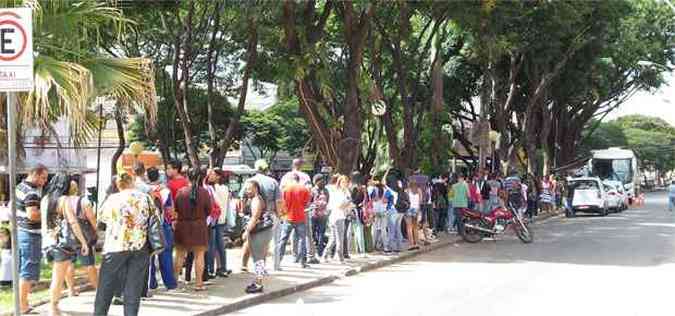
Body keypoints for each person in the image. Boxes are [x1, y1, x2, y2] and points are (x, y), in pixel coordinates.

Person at [94, 173, 157, 316]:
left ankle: (99, 313)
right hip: (139, 245)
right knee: (133, 287)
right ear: (132, 182)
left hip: (115, 245)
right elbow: (154, 218)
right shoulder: (145, 198)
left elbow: (102, 220)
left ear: (118, 185)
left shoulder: (112, 199)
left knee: (106, 284)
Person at [47, 175, 91, 316]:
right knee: (58, 279)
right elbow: (72, 222)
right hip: (61, 244)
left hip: (48, 242)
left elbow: (43, 223)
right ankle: (53, 308)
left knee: (57, 276)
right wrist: (83, 242)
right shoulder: (64, 200)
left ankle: (54, 306)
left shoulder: (44, 200)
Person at [239, 160, 283, 271]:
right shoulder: (273, 182)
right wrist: (279, 215)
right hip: (268, 217)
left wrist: (242, 212)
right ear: (266, 169)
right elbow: (278, 201)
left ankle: (244, 265)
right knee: (265, 244)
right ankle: (264, 269)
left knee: (249, 241)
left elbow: (241, 199)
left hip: (250, 217)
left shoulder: (249, 181)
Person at [17, 164, 49, 314]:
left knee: (24, 269)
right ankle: (23, 305)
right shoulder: (31, 193)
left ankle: (23, 303)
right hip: (30, 234)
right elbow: (33, 215)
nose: (44, 182)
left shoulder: (20, 186)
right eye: (43, 178)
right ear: (35, 174)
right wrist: (48, 213)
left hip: (21, 232)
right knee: (27, 271)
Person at [173, 168, 211, 292]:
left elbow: (176, 209)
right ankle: (199, 283)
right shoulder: (204, 193)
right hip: (199, 226)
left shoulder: (181, 192)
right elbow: (208, 210)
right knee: (199, 256)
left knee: (179, 255)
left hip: (182, 226)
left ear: (187, 177)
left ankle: (175, 282)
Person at [64, 175, 98, 297]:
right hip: (82, 237)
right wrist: (97, 231)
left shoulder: (62, 201)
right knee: (89, 263)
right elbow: (92, 219)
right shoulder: (83, 201)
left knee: (69, 263)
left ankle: (71, 289)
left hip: (67, 237)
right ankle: (98, 288)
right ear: (76, 189)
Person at [146, 167, 178, 291]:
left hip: (148, 226)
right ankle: (170, 283)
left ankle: (152, 283)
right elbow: (170, 210)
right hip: (163, 225)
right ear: (158, 177)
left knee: (150, 256)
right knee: (166, 254)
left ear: (147, 177)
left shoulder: (144, 190)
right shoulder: (165, 191)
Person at [241, 180, 274, 294]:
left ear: (256, 188)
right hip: (262, 231)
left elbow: (254, 217)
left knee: (258, 259)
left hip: (259, 231)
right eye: (246, 188)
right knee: (258, 258)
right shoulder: (257, 199)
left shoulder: (256, 200)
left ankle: (258, 283)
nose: (247, 191)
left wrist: (247, 231)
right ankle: (258, 281)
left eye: (249, 188)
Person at [277, 174, 312, 269]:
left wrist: (283, 213)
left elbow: (282, 203)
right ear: (298, 179)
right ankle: (303, 262)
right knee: (302, 240)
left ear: (291, 179)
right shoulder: (304, 189)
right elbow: (306, 204)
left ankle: (278, 261)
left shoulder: (285, 189)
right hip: (300, 217)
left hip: (288, 217)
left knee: (283, 239)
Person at [207, 169, 232, 278]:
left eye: (212, 174)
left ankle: (212, 268)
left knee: (213, 245)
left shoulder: (213, 188)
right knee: (220, 244)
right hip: (221, 219)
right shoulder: (225, 188)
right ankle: (222, 267)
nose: (209, 175)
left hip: (214, 219)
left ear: (217, 176)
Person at [322, 175, 352, 263]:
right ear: (340, 182)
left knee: (333, 238)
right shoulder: (337, 192)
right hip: (337, 217)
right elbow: (339, 205)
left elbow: (348, 201)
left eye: (346, 182)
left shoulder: (345, 191)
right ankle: (340, 258)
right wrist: (347, 203)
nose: (345, 184)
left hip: (340, 216)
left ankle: (325, 255)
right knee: (340, 238)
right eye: (344, 182)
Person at [309, 174, 330, 259]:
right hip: (323, 214)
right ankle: (320, 252)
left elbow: (309, 201)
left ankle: (313, 250)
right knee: (321, 233)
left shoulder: (312, 190)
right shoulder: (326, 191)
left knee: (312, 233)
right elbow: (327, 201)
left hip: (313, 214)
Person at [369, 178, 388, 251]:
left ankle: (373, 245)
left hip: (375, 211)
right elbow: (387, 200)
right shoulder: (385, 189)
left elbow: (372, 199)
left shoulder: (372, 189)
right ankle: (384, 246)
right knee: (383, 230)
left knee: (374, 229)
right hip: (383, 210)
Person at [405, 181, 422, 251]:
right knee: (415, 227)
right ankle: (417, 243)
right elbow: (420, 201)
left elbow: (406, 200)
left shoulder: (407, 191)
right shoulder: (419, 190)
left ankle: (411, 244)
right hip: (416, 209)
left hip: (409, 209)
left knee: (409, 227)